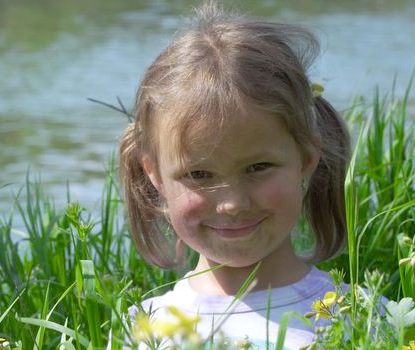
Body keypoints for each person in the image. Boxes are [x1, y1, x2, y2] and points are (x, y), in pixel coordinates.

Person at [117, 2, 351, 349]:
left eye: (258, 167)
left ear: (306, 158)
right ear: (154, 174)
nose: (232, 203)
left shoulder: (355, 315)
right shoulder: (145, 330)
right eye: (198, 174)